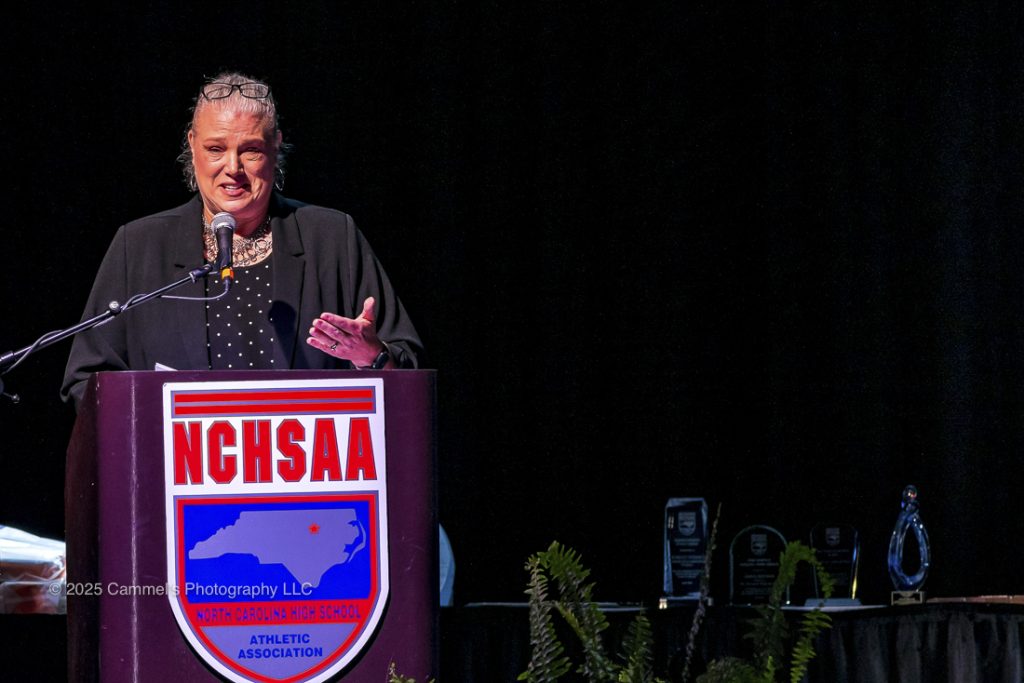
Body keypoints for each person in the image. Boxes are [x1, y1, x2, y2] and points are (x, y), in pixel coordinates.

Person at [61, 72, 421, 408]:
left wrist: (372, 356)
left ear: (276, 146)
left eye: (251, 150)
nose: (233, 168)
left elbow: (408, 371)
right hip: (176, 456)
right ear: (192, 145)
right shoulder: (139, 245)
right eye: (215, 149)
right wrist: (155, 421)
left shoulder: (332, 238)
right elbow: (86, 380)